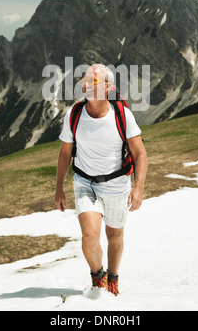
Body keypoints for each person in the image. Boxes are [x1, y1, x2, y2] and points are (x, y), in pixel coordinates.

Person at [55, 64, 147, 296]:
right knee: (90, 235)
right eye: (85, 81)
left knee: (114, 235)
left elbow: (140, 154)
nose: (86, 85)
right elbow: (65, 153)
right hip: (85, 183)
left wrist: (138, 188)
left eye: (93, 82)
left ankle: (113, 278)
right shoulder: (74, 114)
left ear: (108, 87)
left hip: (117, 185)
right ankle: (98, 277)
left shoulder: (122, 115)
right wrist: (59, 189)